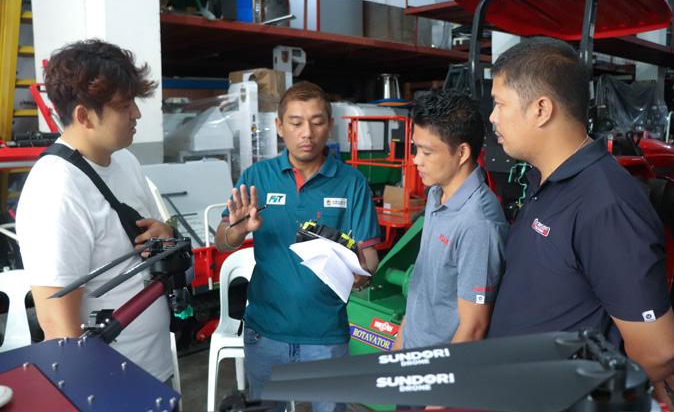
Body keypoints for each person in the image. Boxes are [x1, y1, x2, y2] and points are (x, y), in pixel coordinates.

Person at [488, 37, 674, 405]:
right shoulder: (545, 182)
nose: (492, 117)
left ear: (541, 109)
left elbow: (658, 352)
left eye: (499, 103)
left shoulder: (606, 205)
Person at [214, 81, 380, 412]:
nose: (307, 133)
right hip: (266, 332)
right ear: (279, 126)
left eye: (317, 122)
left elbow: (369, 257)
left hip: (326, 335)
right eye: (296, 122)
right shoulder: (258, 177)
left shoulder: (352, 183)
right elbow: (222, 241)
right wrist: (238, 229)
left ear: (329, 125)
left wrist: (362, 275)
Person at [16, 39, 175, 382]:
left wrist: (164, 236)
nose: (136, 114)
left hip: (155, 369)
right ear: (83, 116)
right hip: (112, 386)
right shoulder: (56, 189)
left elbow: (146, 247)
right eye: (125, 105)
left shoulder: (125, 161)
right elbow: (58, 325)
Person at [392, 90, 507, 351]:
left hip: (437, 366)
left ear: (462, 152)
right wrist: (397, 353)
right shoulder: (436, 195)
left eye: (427, 152)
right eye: (416, 148)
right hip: (410, 353)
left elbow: (473, 327)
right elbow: (420, 295)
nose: (416, 160)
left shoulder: (478, 224)